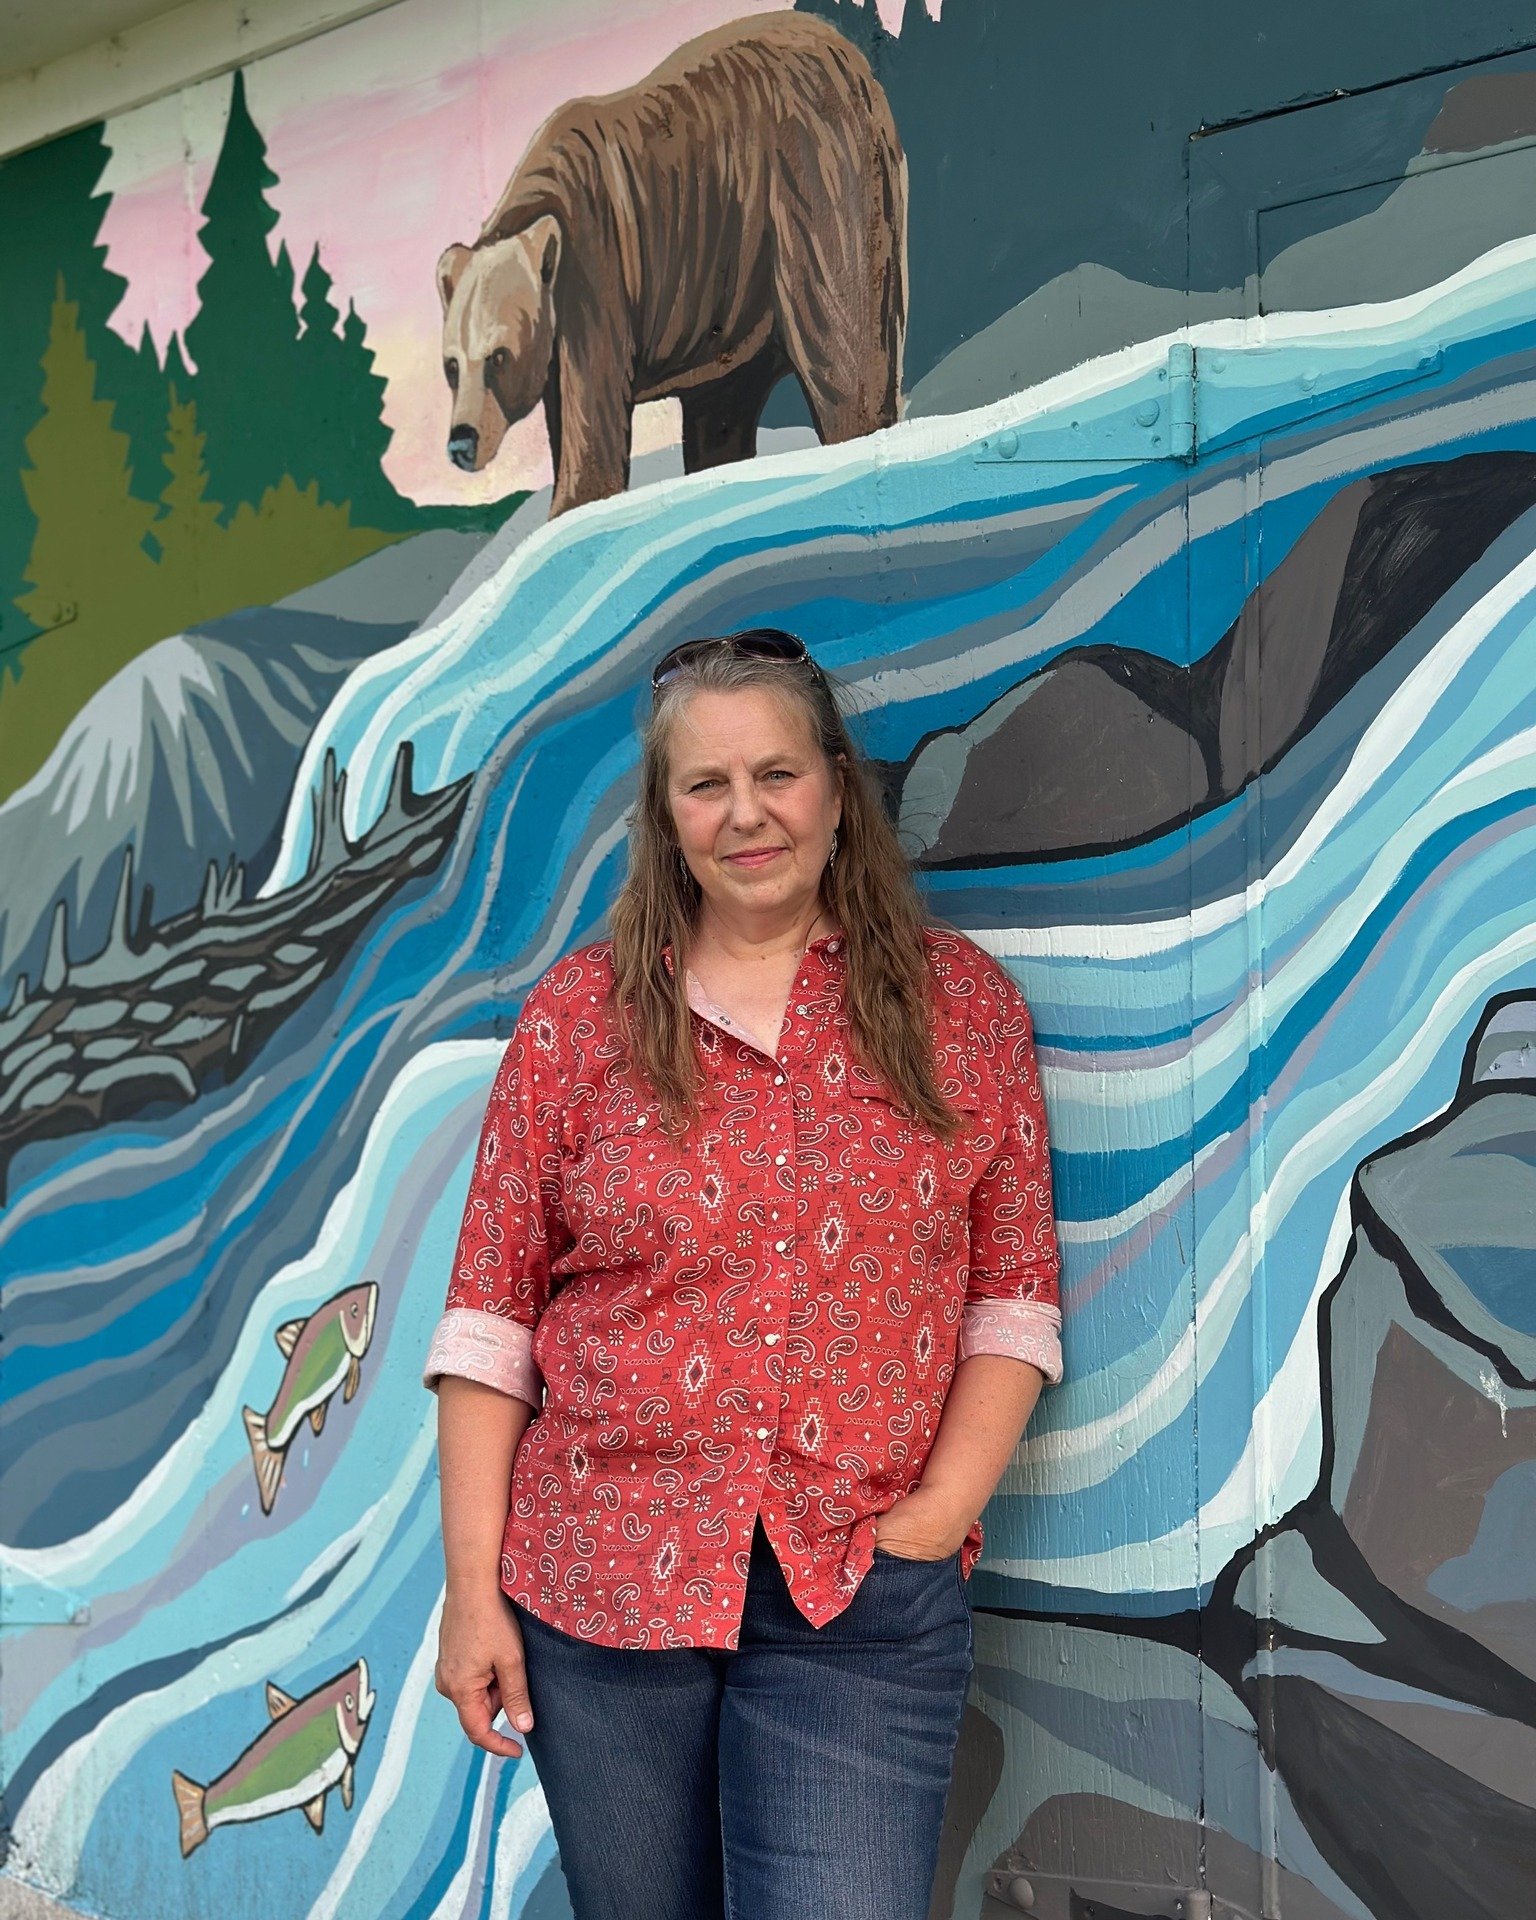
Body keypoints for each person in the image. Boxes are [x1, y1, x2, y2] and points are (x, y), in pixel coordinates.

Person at [424, 628, 1062, 1920]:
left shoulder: (961, 1009)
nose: (746, 813)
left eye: (776, 774)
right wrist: (471, 1596)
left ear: (835, 788)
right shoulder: (577, 1022)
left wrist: (940, 1511)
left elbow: (1014, 1297)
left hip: (858, 1596)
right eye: (705, 785)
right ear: (666, 819)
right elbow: (492, 1319)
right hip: (603, 1585)